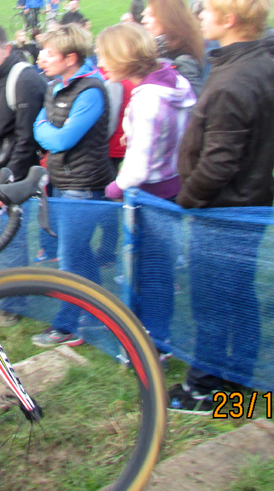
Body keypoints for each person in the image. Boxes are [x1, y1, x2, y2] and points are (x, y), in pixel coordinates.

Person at [169, 0, 274, 411]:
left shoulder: (234, 79)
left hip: (223, 213)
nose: (199, 15)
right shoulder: (267, 67)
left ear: (231, 18)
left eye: (206, 9)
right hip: (251, 206)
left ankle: (205, 388)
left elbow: (220, 162)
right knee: (239, 293)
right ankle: (242, 372)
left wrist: (186, 200)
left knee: (213, 301)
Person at [98, 23, 196, 348]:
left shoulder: (147, 100)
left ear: (124, 58)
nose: (101, 64)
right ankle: (151, 330)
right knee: (160, 267)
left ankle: (153, 339)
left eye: (105, 57)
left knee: (151, 270)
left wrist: (114, 188)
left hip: (151, 195)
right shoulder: (176, 82)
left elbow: (138, 167)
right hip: (174, 185)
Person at [31, 24, 114, 347]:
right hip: (62, 182)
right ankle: (97, 316)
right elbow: (40, 125)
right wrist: (46, 131)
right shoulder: (55, 87)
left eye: (49, 53)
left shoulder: (91, 90)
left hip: (83, 186)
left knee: (69, 258)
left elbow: (62, 137)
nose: (42, 58)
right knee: (79, 254)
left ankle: (67, 324)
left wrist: (47, 132)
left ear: (71, 57)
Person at [0, 22, 46, 179]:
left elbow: (27, 140)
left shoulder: (23, 79)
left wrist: (6, 179)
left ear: (6, 49)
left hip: (12, 183)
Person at [142, 0, 205, 96]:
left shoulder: (182, 61)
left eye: (150, 15)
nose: (144, 20)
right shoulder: (158, 51)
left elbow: (194, 104)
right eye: (144, 15)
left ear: (169, 18)